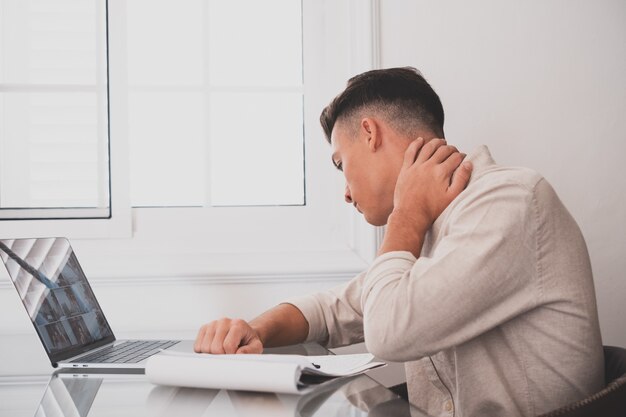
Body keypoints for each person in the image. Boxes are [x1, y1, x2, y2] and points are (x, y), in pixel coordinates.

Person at [194, 67, 604, 417]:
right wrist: (253, 330)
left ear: (370, 133)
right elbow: (338, 309)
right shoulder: (439, 219)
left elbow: (389, 332)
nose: (346, 193)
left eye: (341, 164)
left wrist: (406, 214)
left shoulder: (508, 201)